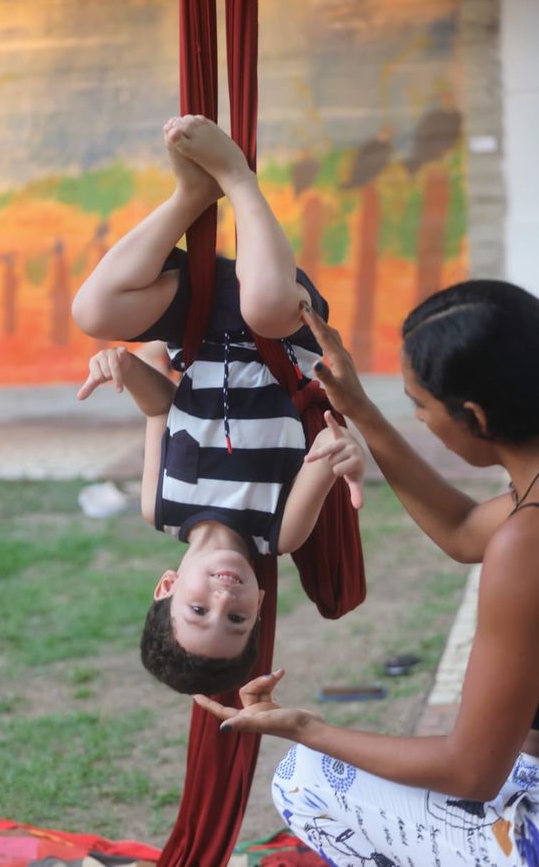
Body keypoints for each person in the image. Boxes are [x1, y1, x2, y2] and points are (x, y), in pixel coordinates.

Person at [194, 281, 539, 865]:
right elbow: (465, 530)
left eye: (419, 404)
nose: (418, 418)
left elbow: (471, 771)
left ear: (473, 416)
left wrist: (304, 728)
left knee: (306, 779)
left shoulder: (532, 545)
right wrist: (360, 411)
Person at [72, 116, 365, 696]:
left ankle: (192, 195)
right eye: (236, 619)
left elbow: (163, 411)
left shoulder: (162, 507)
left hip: (198, 321)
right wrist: (343, 452)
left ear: (167, 585)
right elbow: (323, 452)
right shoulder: (279, 533)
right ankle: (236, 177)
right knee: (264, 303)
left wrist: (127, 371)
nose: (223, 599)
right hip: (280, 329)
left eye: (198, 610)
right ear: (260, 604)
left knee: (93, 312)